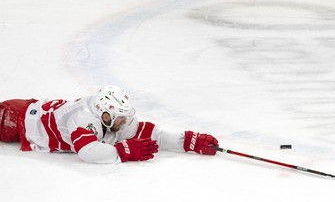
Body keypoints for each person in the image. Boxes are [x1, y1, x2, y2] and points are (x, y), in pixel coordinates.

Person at [0, 85, 219, 163]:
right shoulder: (84, 119)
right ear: (105, 115)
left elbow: (148, 134)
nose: (125, 122)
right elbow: (86, 151)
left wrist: (186, 141)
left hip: (28, 107)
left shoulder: (113, 117)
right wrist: (122, 152)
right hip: (14, 121)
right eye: (120, 118)